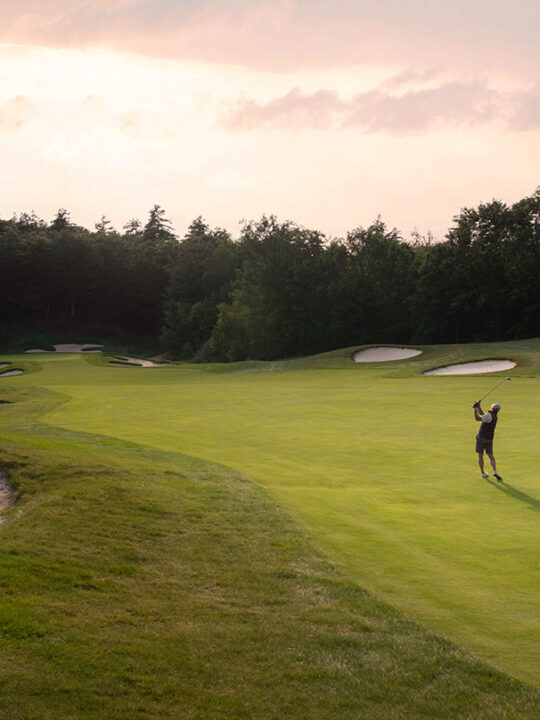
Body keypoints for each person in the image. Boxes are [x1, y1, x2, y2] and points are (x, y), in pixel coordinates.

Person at [473, 401, 502, 481]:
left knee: (480, 455)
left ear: (492, 408)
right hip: (489, 438)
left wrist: (475, 409)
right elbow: (482, 414)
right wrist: (479, 406)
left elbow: (477, 418)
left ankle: (483, 473)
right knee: (491, 456)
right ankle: (495, 471)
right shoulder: (494, 416)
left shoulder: (489, 415)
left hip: (481, 437)